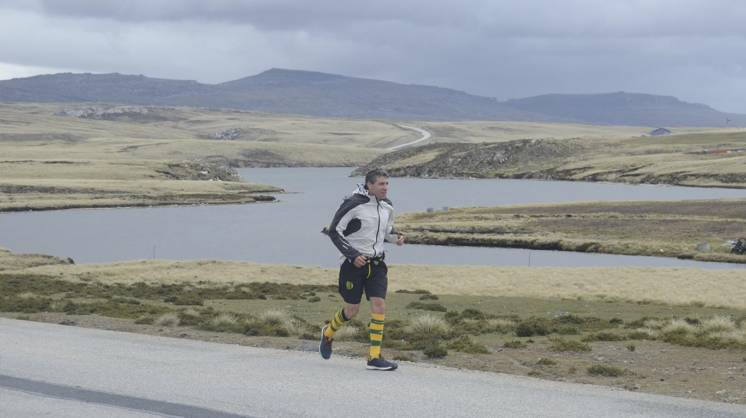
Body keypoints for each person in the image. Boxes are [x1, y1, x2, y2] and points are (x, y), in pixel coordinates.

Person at [319, 168, 405, 370]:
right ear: (370, 185)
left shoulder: (387, 206)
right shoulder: (353, 203)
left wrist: (396, 238)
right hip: (353, 265)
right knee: (352, 310)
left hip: (376, 264)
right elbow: (334, 231)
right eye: (381, 184)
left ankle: (374, 357)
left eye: (387, 183)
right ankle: (328, 333)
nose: (386, 188)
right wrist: (352, 255)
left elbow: (385, 232)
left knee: (379, 305)